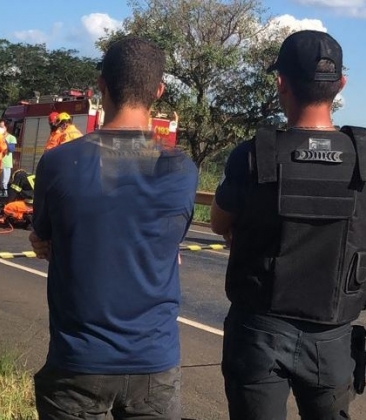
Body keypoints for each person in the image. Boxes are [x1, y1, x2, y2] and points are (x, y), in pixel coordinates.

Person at [28, 36, 198, 419]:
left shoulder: (58, 163)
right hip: (155, 365)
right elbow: (169, 243)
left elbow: (44, 236)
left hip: (78, 363)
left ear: (101, 85)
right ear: (159, 90)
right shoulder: (182, 170)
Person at [210, 30, 364, 420]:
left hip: (258, 331)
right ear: (341, 84)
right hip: (333, 337)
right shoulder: (363, 157)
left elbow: (217, 222)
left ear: (281, 82)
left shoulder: (253, 154)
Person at [0, 120, 17, 197]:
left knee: (4, 183)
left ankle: (4, 197)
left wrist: (4, 140)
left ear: (6, 128)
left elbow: (12, 149)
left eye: (2, 127)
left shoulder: (11, 138)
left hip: (6, 164)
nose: (0, 128)